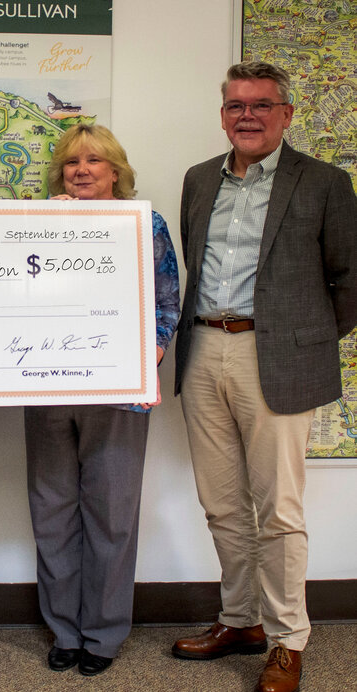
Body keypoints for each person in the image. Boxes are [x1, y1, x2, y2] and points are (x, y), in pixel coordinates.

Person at [172, 61, 357, 692]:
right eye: (235, 105)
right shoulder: (200, 180)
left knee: (278, 510)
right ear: (222, 113)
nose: (246, 115)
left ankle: (286, 639)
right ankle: (240, 619)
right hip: (202, 351)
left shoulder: (326, 182)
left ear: (286, 113)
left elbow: (348, 279)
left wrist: (301, 343)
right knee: (222, 505)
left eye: (259, 105)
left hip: (274, 358)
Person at [25, 124, 180, 677]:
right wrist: (57, 224)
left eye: (94, 161)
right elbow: (8, 298)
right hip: (47, 388)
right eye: (71, 163)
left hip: (118, 391)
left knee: (112, 514)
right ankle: (64, 629)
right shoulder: (37, 222)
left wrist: (147, 357)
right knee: (52, 512)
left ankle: (104, 634)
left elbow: (166, 303)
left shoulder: (143, 224)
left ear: (116, 171)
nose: (82, 170)